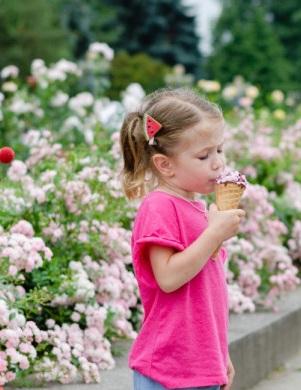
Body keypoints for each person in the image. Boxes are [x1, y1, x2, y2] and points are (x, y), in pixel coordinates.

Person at [118, 88, 243, 390]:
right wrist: (214, 234)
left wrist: (220, 354)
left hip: (200, 364)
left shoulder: (198, 208)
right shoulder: (159, 206)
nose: (217, 163)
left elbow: (207, 296)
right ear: (165, 165)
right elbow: (169, 277)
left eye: (219, 150)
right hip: (167, 368)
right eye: (204, 155)